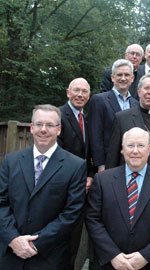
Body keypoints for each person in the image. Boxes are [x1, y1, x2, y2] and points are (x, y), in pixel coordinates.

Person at [0, 104, 86, 270]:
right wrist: (13, 239)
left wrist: (35, 244)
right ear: (31, 128)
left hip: (50, 257)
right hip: (10, 255)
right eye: (39, 124)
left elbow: (72, 213)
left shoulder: (75, 166)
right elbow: (1, 203)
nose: (43, 130)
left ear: (59, 130)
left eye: (50, 125)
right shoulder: (11, 161)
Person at [86, 127, 150, 270]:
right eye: (130, 145)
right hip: (108, 263)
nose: (135, 151)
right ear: (123, 149)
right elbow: (93, 219)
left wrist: (146, 256)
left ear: (149, 149)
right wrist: (113, 255)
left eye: (141, 145)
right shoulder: (102, 180)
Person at [57, 78, 93, 270]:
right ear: (67, 92)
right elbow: (58, 153)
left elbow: (87, 154)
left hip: (80, 190)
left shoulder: (85, 118)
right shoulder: (58, 116)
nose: (80, 95)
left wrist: (90, 175)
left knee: (73, 241)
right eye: (76, 90)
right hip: (61, 186)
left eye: (84, 91)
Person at [88, 59, 138, 172]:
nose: (123, 78)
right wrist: (100, 165)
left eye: (127, 75)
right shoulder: (99, 100)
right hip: (108, 164)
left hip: (131, 163)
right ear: (112, 77)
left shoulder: (136, 104)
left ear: (132, 78)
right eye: (119, 75)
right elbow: (95, 136)